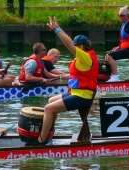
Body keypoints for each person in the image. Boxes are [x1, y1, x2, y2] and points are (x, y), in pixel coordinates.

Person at [25, 16, 98, 146]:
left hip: (82, 96)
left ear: (81, 47)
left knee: (48, 109)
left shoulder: (85, 56)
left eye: (76, 47)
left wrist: (58, 30)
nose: (73, 50)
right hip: (76, 92)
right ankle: (49, 132)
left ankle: (41, 140)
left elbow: (68, 43)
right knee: (51, 101)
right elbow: (81, 75)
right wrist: (68, 76)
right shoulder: (85, 57)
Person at [105, 5, 129, 82]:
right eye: (118, 15)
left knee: (110, 56)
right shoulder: (125, 24)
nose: (119, 17)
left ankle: (115, 77)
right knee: (107, 54)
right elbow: (126, 40)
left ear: (127, 16)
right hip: (128, 48)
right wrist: (119, 47)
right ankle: (112, 76)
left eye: (121, 15)